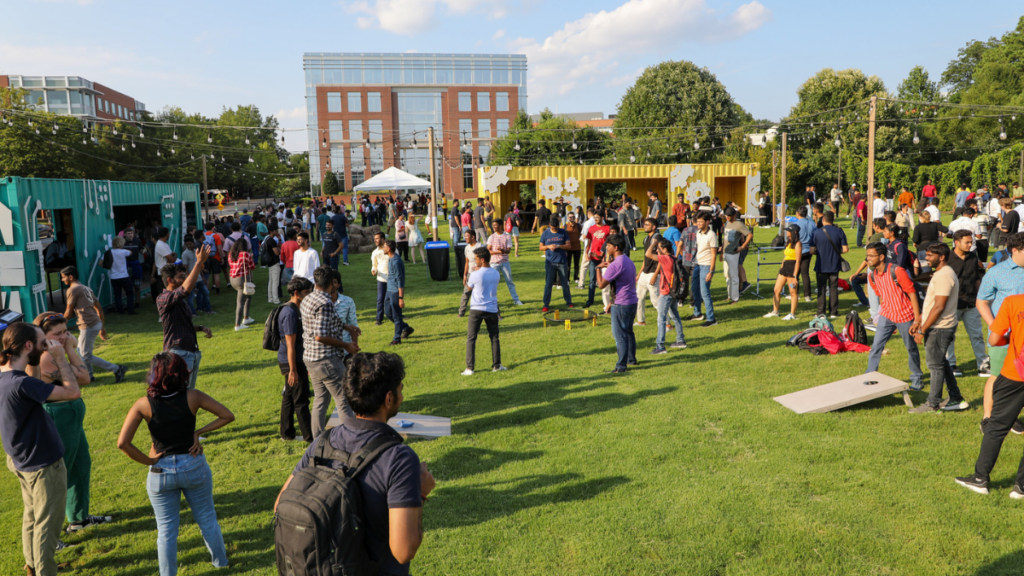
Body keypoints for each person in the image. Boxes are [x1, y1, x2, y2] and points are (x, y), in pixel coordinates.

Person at [275, 351, 435, 574]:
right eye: (400, 390)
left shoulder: (323, 442)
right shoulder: (399, 458)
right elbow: (403, 550)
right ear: (389, 399)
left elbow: (280, 504)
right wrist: (420, 493)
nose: (402, 395)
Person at [116, 352, 233, 576]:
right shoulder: (193, 396)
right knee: (207, 518)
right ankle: (221, 563)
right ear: (182, 373)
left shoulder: (143, 404)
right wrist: (198, 432)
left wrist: (149, 461)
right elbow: (227, 415)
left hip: (161, 472)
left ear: (153, 374)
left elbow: (123, 443)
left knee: (166, 531)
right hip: (193, 465)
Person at [2, 322, 82, 576]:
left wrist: (37, 359)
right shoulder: (22, 384)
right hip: (43, 462)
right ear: (28, 346)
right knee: (47, 525)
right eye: (41, 342)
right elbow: (72, 392)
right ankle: (45, 572)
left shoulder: (8, 377)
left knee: (32, 518)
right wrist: (60, 356)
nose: (46, 346)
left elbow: (31, 383)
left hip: (19, 459)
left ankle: (33, 566)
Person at [28, 313, 112, 542]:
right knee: (57, 477)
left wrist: (66, 350)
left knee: (80, 464)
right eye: (58, 333)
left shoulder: (56, 353)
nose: (65, 336)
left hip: (71, 415)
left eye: (66, 331)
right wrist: (72, 351)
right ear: (42, 337)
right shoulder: (46, 358)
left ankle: (79, 519)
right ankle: (48, 539)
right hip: (58, 416)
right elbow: (84, 378)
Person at [954, 278, 1024, 496]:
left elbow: (994, 340)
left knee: (996, 427)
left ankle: (980, 478)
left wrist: (1009, 340)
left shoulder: (1013, 302)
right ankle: (1021, 486)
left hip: (1015, 374)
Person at [301, 266, 360, 438]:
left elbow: (317, 324)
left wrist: (343, 325)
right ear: (332, 284)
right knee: (344, 399)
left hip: (311, 358)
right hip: (326, 359)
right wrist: (345, 345)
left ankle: (317, 441)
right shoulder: (325, 303)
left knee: (321, 400)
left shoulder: (308, 298)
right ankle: (353, 440)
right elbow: (320, 335)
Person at [910, 243, 967, 413]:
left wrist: (923, 330)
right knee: (941, 362)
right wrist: (918, 320)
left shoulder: (944, 276)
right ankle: (956, 398)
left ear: (941, 257)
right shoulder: (940, 273)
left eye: (930, 255)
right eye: (926, 255)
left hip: (940, 327)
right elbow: (931, 304)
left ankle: (932, 403)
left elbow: (939, 306)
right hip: (936, 325)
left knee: (934, 365)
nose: (926, 258)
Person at [976, 232, 1024, 435]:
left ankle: (1011, 417)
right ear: (1015, 251)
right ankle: (988, 418)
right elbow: (982, 301)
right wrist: (995, 325)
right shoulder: (997, 273)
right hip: (1004, 339)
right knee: (997, 376)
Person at [864, 242, 925, 391]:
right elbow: (881, 296)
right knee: (876, 347)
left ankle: (916, 378)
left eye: (871, 256)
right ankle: (869, 377)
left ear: (882, 256)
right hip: (887, 315)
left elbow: (911, 292)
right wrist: (880, 315)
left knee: (911, 348)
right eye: (867, 256)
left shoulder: (897, 271)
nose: (868, 259)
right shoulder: (872, 276)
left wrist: (917, 319)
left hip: (905, 316)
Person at [157, 245, 214, 391]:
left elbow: (180, 324)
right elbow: (185, 290)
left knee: (188, 393)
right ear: (170, 280)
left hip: (191, 352)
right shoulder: (163, 298)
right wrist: (198, 263)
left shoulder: (178, 300)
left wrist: (200, 328)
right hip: (178, 354)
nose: (185, 279)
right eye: (181, 277)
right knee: (180, 394)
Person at [60, 266, 126, 383]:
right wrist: (102, 326)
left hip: (88, 325)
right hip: (94, 323)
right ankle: (89, 376)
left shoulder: (72, 289)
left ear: (71, 277)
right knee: (81, 351)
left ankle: (117, 369)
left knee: (85, 355)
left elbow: (68, 312)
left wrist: (59, 324)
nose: (62, 280)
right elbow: (99, 309)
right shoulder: (86, 288)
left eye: (63, 277)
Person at [276, 277, 314, 443]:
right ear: (297, 293)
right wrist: (293, 370)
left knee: (289, 397)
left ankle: (287, 433)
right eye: (307, 292)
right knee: (301, 399)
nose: (310, 295)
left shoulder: (294, 309)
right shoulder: (290, 313)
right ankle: (310, 437)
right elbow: (290, 344)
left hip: (291, 359)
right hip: (292, 361)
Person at [462, 246, 506, 375]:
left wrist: (475, 273)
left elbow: (469, 288)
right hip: (492, 309)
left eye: (476, 259)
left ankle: (470, 368)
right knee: (494, 338)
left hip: (476, 309)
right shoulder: (496, 273)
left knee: (471, 338)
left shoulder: (475, 274)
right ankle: (496, 366)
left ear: (482, 260)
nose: (475, 261)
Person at [597, 234, 638, 372]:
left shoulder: (615, 264)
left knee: (620, 336)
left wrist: (598, 269)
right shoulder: (627, 260)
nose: (606, 248)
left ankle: (621, 366)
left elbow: (601, 285)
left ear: (615, 247)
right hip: (632, 302)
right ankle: (631, 359)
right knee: (628, 333)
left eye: (608, 246)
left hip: (621, 304)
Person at [648, 238, 687, 354]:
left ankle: (660, 346)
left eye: (659, 248)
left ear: (664, 249)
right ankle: (680, 340)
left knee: (661, 319)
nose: (657, 250)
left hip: (666, 293)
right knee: (675, 316)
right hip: (672, 292)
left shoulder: (664, 258)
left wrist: (654, 243)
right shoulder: (673, 258)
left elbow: (647, 254)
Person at [764, 225, 802, 320]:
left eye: (789, 231)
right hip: (784, 268)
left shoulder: (798, 244)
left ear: (794, 232)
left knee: (793, 292)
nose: (787, 232)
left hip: (792, 268)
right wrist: (781, 269)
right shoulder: (789, 242)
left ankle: (792, 314)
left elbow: (798, 261)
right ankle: (775, 311)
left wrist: (795, 276)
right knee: (776, 290)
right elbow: (785, 257)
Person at [540, 216, 573, 312]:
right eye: (553, 228)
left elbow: (569, 245)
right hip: (550, 263)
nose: (555, 229)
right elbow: (541, 247)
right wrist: (548, 246)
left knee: (565, 284)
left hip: (562, 262)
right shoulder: (545, 233)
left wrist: (558, 245)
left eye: (556, 227)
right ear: (549, 225)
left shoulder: (563, 232)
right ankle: (546, 304)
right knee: (548, 284)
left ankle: (569, 302)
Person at [383, 240, 414, 345]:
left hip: (395, 292)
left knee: (397, 316)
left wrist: (401, 297)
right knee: (388, 313)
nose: (383, 248)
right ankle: (406, 328)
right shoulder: (391, 259)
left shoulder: (396, 261)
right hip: (389, 291)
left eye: (384, 247)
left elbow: (400, 280)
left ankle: (397, 339)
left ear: (389, 249)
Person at [487, 220, 523, 306]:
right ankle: (491, 301)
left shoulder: (507, 236)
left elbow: (508, 250)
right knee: (492, 282)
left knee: (509, 282)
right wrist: (498, 252)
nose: (494, 227)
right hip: (494, 263)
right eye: (493, 225)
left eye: (495, 225)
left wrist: (503, 251)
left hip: (505, 262)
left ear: (500, 225)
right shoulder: (491, 237)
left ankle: (516, 300)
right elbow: (488, 251)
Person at [691, 212, 718, 327]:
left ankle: (711, 319)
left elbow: (713, 254)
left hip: (706, 266)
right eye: (698, 221)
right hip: (697, 265)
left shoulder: (711, 234)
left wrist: (711, 271)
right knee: (694, 289)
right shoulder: (698, 233)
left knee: (704, 292)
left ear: (707, 222)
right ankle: (697, 313)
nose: (698, 223)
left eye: (701, 221)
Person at [721, 208, 752, 305]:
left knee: (734, 276)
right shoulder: (727, 223)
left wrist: (742, 247)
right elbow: (725, 239)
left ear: (734, 215)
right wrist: (722, 251)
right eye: (726, 215)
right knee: (727, 275)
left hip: (733, 254)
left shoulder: (739, 224)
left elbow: (750, 235)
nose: (727, 217)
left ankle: (735, 298)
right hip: (726, 252)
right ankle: (730, 296)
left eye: (729, 216)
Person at [634, 218, 662, 326]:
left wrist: (655, 275)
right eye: (644, 224)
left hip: (653, 273)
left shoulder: (657, 239)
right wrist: (639, 273)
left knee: (655, 301)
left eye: (647, 224)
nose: (644, 226)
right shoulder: (646, 239)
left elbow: (661, 258)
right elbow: (645, 258)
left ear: (654, 227)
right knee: (638, 298)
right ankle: (641, 321)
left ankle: (668, 324)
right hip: (644, 273)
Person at [227, 233, 256, 331]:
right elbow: (252, 267)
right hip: (242, 279)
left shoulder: (231, 254)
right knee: (240, 302)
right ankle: (237, 324)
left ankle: (246, 318)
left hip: (233, 279)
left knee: (248, 295)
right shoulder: (245, 254)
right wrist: (251, 258)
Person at [583, 213, 610, 308]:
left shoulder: (608, 228)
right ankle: (590, 301)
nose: (595, 219)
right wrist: (586, 253)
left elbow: (610, 243)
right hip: (593, 258)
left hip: (604, 258)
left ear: (602, 217)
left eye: (597, 217)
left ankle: (609, 302)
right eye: (594, 217)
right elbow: (588, 242)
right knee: (592, 280)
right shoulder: (591, 228)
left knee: (607, 281)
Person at [182, 236, 212, 317]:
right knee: (191, 297)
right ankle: (192, 313)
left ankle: (207, 309)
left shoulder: (196, 252)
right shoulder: (185, 254)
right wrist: (190, 279)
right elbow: (185, 268)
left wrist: (202, 276)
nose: (189, 246)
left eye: (190, 244)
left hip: (199, 278)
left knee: (205, 293)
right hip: (191, 279)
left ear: (194, 244)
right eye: (187, 244)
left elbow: (199, 266)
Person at [107, 236, 135, 315]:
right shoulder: (123, 252)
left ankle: (120, 311)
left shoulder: (109, 252)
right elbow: (130, 252)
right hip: (124, 276)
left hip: (114, 276)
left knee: (117, 294)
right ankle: (130, 310)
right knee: (129, 293)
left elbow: (101, 262)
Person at [793, 207, 816, 302]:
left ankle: (795, 293)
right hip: (808, 250)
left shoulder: (796, 224)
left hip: (798, 250)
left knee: (795, 273)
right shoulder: (812, 223)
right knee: (805, 273)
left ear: (798, 213)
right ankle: (807, 295)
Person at [370, 232, 390, 326]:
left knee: (394, 298)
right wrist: (373, 270)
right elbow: (374, 265)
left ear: (382, 239)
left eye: (377, 238)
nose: (375, 240)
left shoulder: (390, 249)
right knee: (380, 299)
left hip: (392, 278)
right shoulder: (375, 252)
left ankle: (398, 315)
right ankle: (379, 318)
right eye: (375, 238)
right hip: (381, 279)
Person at [202, 223, 225, 296]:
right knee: (216, 274)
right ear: (213, 228)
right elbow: (219, 248)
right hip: (215, 257)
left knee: (207, 274)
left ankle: (206, 291)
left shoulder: (203, 235)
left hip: (206, 257)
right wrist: (221, 257)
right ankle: (217, 291)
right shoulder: (216, 236)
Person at [264, 226, 283, 305]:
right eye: (276, 230)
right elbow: (277, 252)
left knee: (271, 281)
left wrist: (279, 239)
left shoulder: (267, 239)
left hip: (269, 262)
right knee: (275, 282)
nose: (277, 232)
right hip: (274, 262)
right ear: (272, 231)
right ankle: (276, 299)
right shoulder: (272, 241)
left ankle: (270, 298)